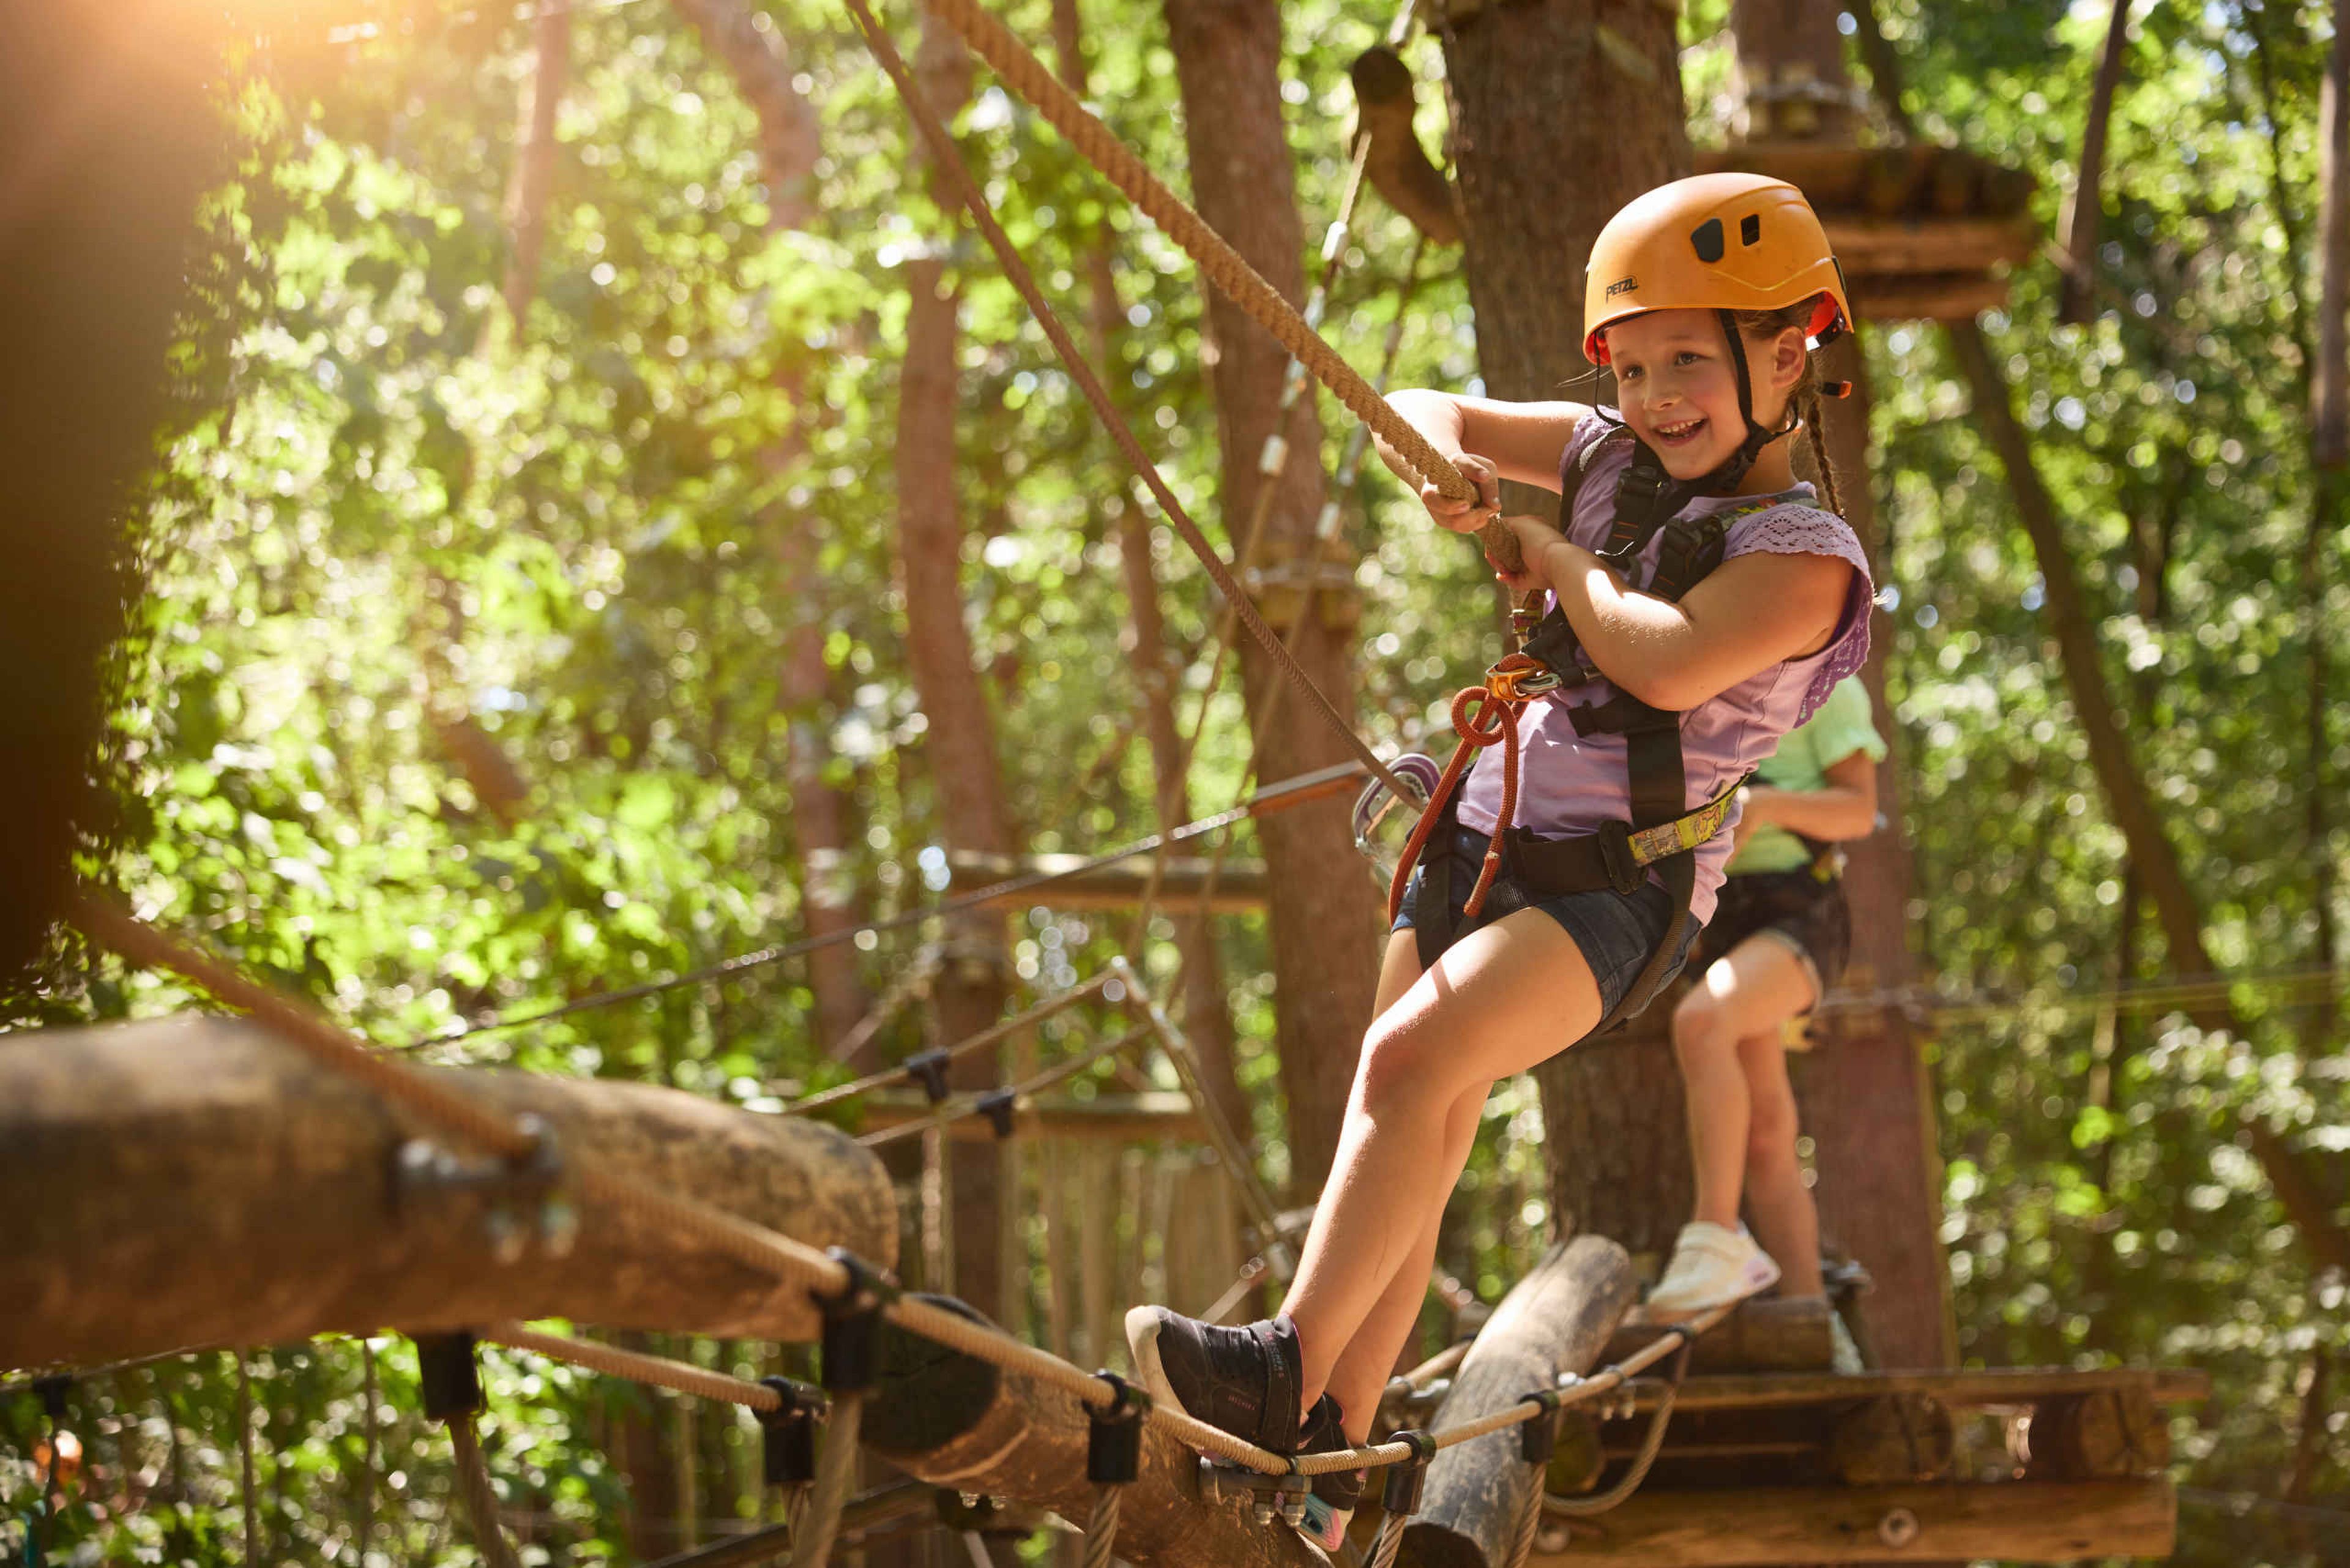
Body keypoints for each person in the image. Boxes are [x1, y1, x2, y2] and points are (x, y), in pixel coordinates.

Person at [1124, 173, 1876, 1548]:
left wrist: (1555, 558)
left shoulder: (1808, 559)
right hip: (1482, 834)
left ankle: (1280, 1370)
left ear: (1787, 357)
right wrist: (1444, 467)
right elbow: (1429, 407)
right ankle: (1329, 1466)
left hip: (1621, 886)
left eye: (1688, 361)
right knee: (1416, 1109)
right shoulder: (1602, 453)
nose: (1652, 398)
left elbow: (1665, 662)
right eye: (1630, 367)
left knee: (1412, 1062)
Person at [1643, 673, 1886, 1331]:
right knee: (1768, 1135)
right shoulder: (1701, 682)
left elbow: (1859, 809)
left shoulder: (1827, 687)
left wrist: (1764, 806)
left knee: (1703, 1022)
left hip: (1799, 909)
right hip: (1718, 914)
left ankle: (1716, 1237)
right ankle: (1812, 1320)